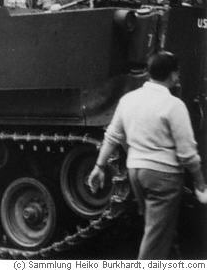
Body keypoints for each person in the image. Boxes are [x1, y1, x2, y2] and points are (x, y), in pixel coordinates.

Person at [88, 51, 207, 259]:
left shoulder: (128, 100)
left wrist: (99, 167)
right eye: (176, 73)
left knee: (157, 227)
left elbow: (112, 136)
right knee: (155, 238)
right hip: (163, 177)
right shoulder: (174, 105)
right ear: (172, 75)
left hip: (136, 174)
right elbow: (188, 154)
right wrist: (200, 184)